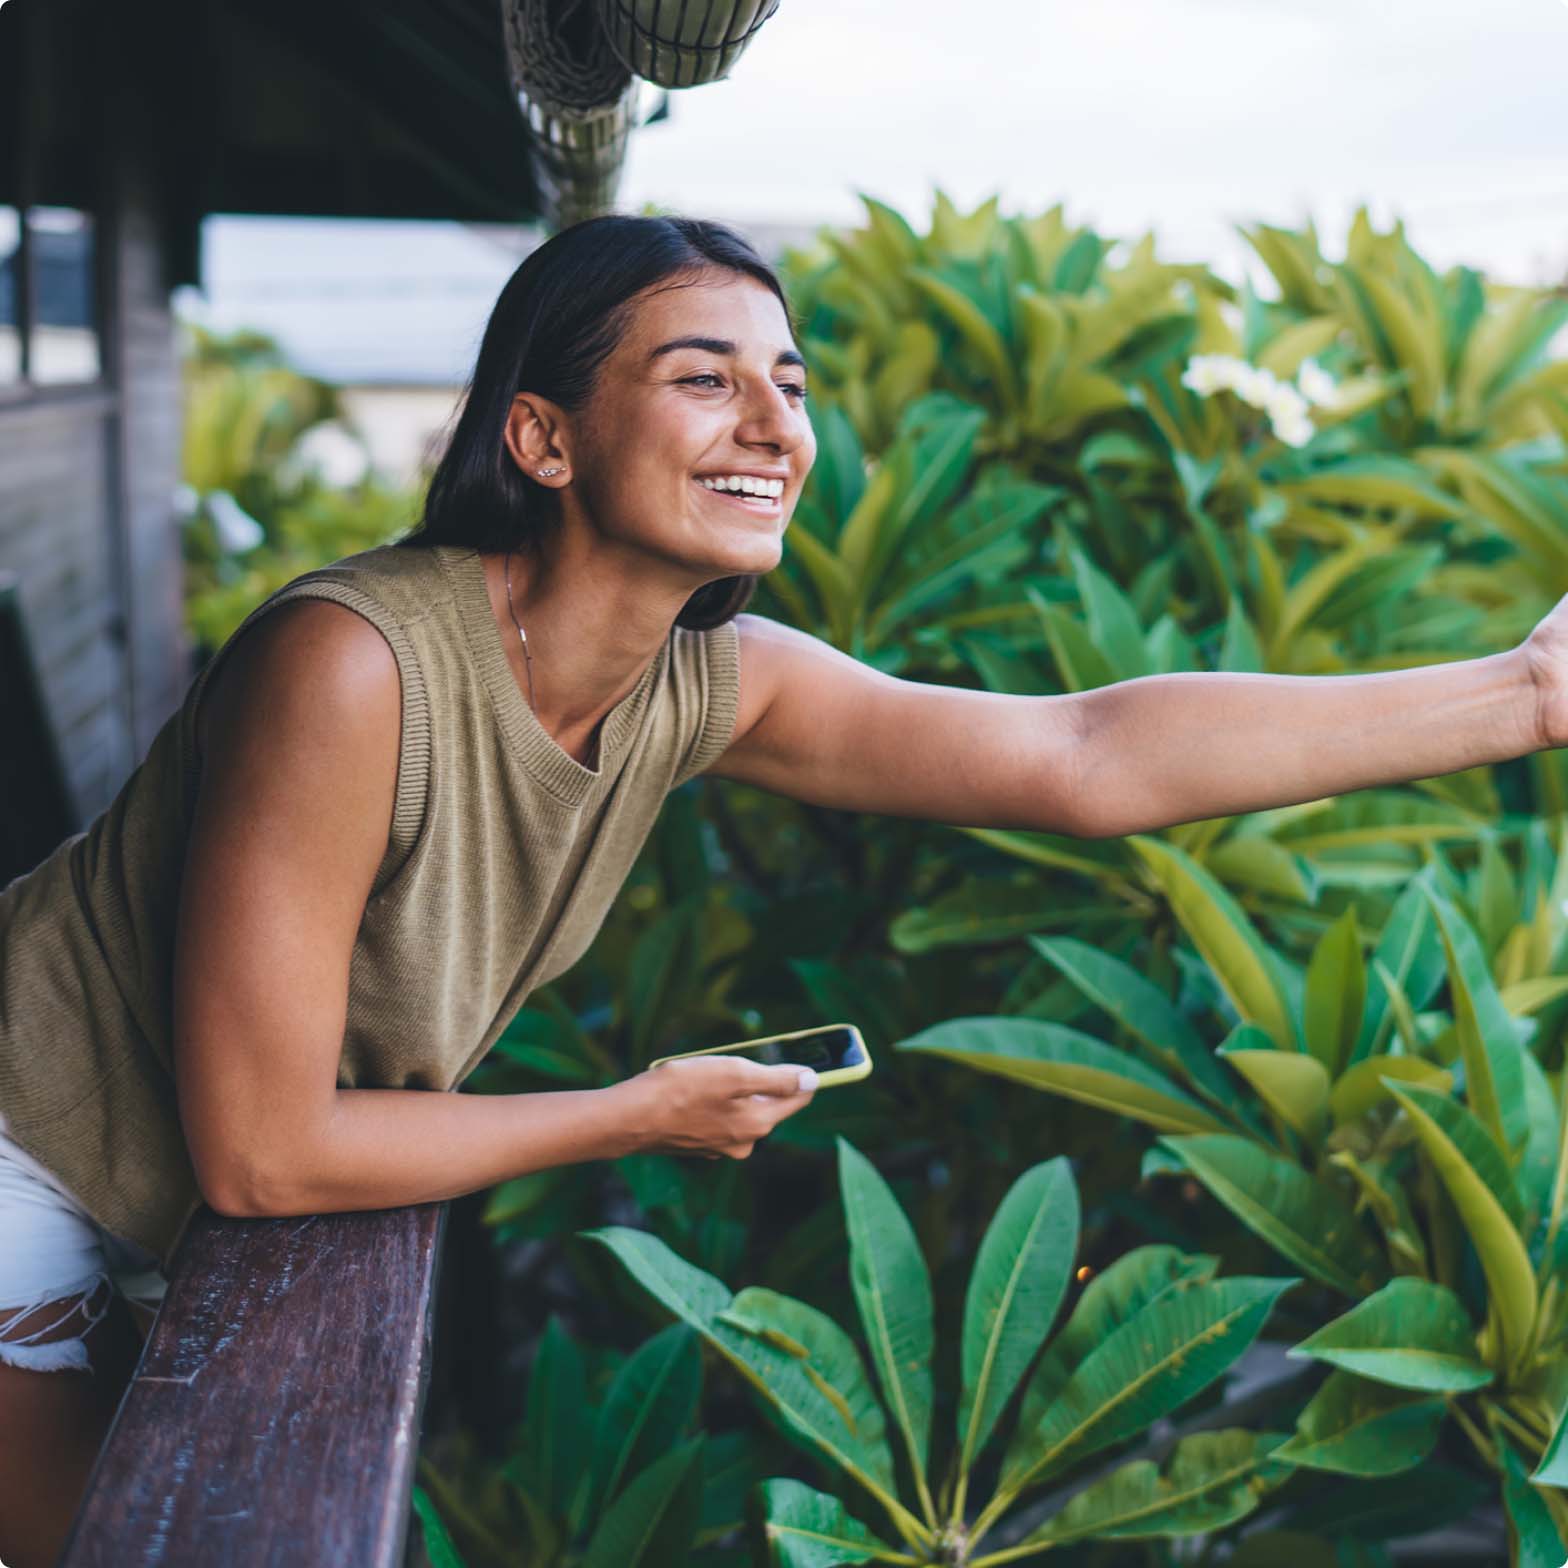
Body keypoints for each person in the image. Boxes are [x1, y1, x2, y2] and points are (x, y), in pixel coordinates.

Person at [3, 210, 1567, 1568]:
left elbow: (1084, 756)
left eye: (791, 384)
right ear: (542, 438)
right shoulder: (352, 669)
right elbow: (269, 1151)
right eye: (705, 378)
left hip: (153, 1212)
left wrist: (1522, 694)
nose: (774, 423)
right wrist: (639, 1111)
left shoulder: (706, 683)